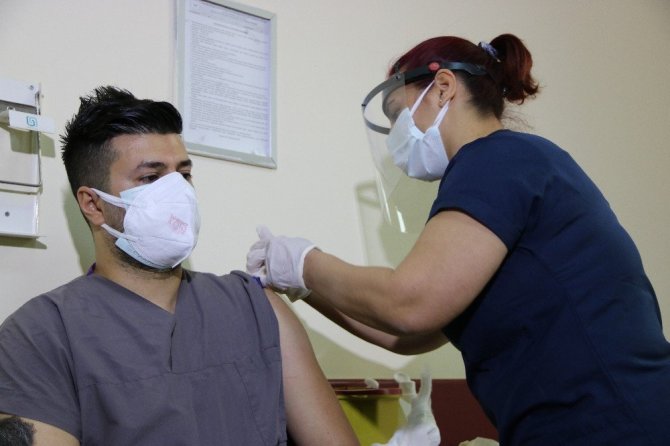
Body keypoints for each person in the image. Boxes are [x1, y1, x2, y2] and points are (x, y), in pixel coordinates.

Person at [247, 34, 670, 445]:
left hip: (614, 423)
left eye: (397, 114)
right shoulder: (515, 163)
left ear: (443, 87)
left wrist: (306, 262)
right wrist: (304, 285)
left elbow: (409, 304)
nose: (396, 136)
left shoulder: (496, 159)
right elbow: (407, 335)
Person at [0, 86, 358, 446]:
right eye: (150, 178)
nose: (178, 193)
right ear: (93, 204)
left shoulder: (256, 307)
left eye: (183, 175)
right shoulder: (39, 337)